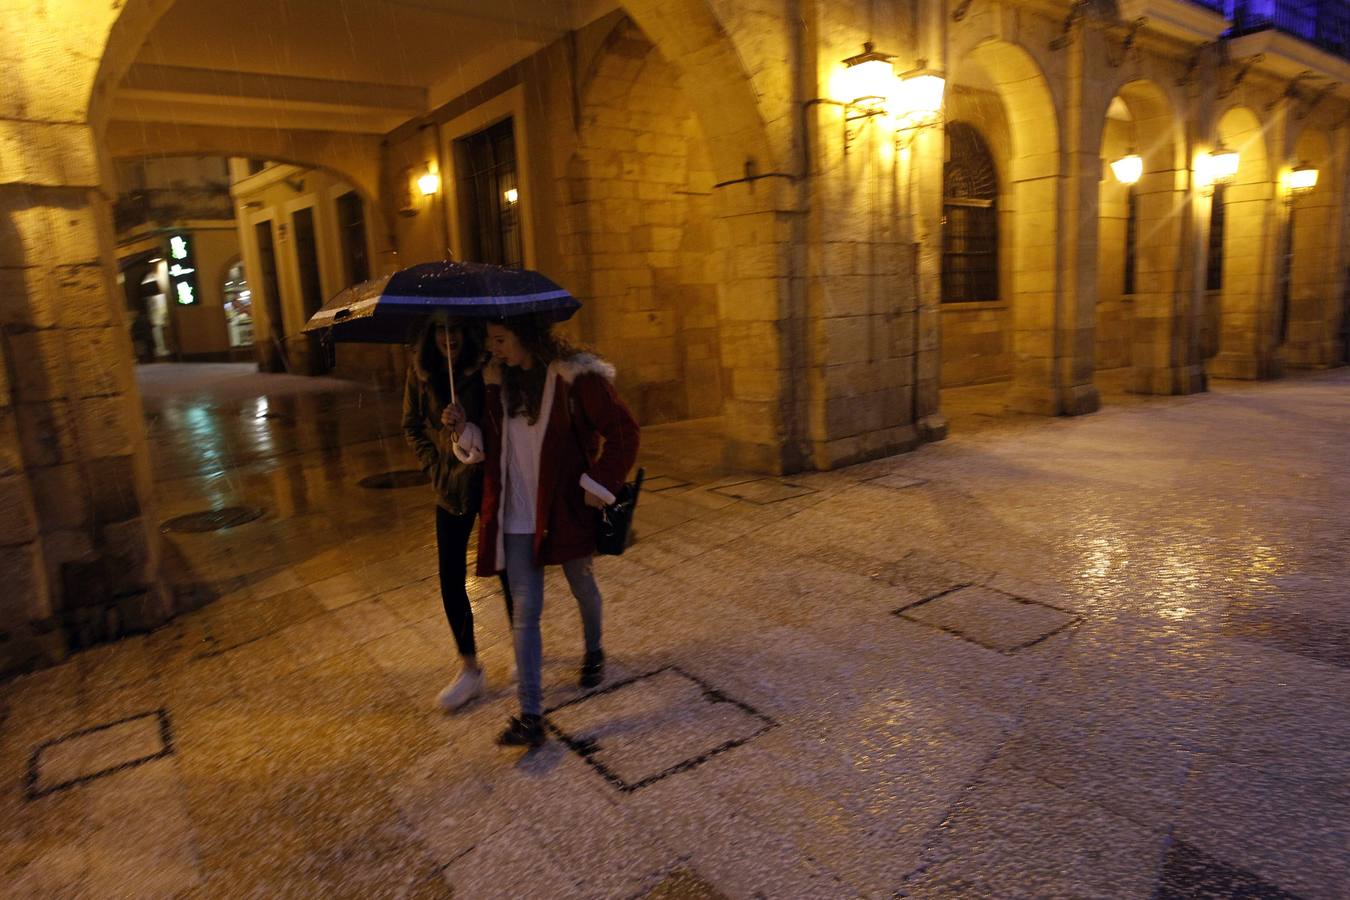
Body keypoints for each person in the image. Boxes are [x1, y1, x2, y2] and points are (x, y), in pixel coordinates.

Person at [450, 315, 639, 748]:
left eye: (500, 339)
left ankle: (594, 649)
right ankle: (531, 716)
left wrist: (600, 484)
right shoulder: (497, 382)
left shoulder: (576, 377)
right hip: (516, 512)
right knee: (525, 611)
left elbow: (624, 431)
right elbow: (492, 447)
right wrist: (463, 428)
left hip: (565, 508)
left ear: (527, 335)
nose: (493, 349)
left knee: (581, 583)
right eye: (490, 340)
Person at [402, 316, 511, 711]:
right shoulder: (421, 372)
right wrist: (435, 464)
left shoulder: (486, 367)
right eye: (440, 330)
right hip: (449, 488)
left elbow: (502, 422)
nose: (449, 337)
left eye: (455, 329)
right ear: (429, 334)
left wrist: (468, 423)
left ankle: (523, 647)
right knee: (451, 575)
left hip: (486, 484)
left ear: (467, 331)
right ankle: (469, 668)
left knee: (505, 567)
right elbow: (412, 425)